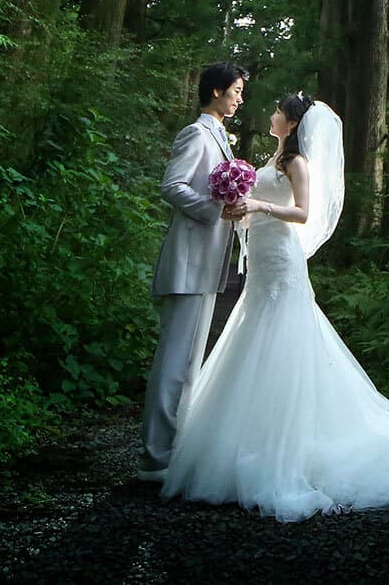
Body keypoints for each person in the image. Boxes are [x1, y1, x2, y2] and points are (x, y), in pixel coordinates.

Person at [160, 93, 389, 521]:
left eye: (276, 110)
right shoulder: (274, 160)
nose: (269, 113)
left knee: (283, 337)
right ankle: (249, 436)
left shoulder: (297, 162)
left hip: (283, 261)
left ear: (290, 121)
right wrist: (240, 213)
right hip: (263, 260)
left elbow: (304, 213)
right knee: (254, 335)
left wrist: (257, 204)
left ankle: (283, 445)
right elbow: (264, 212)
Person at [138, 61, 247, 481]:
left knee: (188, 364)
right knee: (173, 363)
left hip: (208, 264)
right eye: (236, 90)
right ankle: (154, 456)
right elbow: (172, 185)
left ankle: (172, 448)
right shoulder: (196, 133)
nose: (239, 97)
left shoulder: (221, 136)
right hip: (188, 261)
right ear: (217, 91)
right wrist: (214, 210)